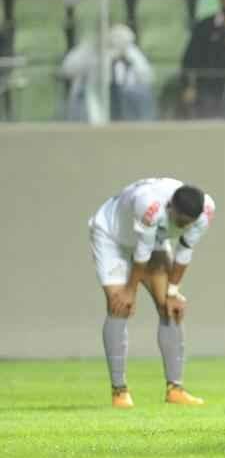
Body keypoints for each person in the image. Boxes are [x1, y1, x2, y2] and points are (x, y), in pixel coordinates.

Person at [88, 179, 214, 408]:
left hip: (153, 239)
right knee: (120, 306)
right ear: (170, 208)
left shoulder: (206, 210)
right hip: (112, 236)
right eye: (180, 222)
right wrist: (129, 290)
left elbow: (185, 250)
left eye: (189, 223)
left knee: (170, 307)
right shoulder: (149, 205)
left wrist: (174, 292)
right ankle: (119, 391)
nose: (184, 227)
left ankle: (175, 389)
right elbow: (141, 254)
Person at [61, 24, 155, 122]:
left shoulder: (130, 51)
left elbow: (146, 75)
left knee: (139, 93)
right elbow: (67, 69)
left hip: (126, 93)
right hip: (93, 91)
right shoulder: (87, 50)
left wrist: (125, 56)